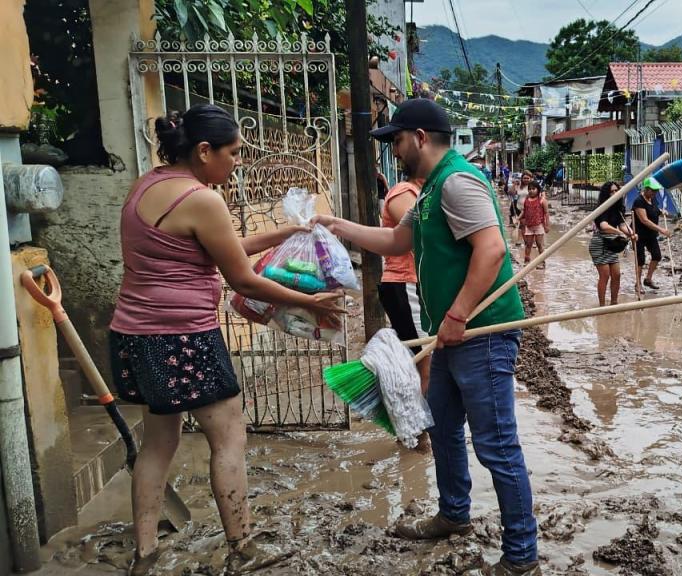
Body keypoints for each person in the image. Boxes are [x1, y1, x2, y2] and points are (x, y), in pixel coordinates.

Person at [110, 104, 343, 575]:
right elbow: (244, 281)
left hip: (134, 334)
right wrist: (314, 305)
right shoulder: (201, 199)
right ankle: (242, 546)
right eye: (233, 153)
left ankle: (146, 553)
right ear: (203, 150)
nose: (237, 162)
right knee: (229, 436)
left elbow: (219, 249)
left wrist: (291, 230)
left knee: (159, 441)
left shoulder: (147, 184)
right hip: (183, 338)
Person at [311, 98, 539, 576]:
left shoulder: (456, 182)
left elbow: (493, 248)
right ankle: (454, 514)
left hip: (482, 334)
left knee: (496, 445)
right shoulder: (431, 188)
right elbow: (397, 241)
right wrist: (338, 227)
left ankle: (522, 556)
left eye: (395, 139)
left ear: (418, 137)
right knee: (443, 428)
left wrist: (456, 315)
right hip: (451, 336)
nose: (393, 150)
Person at [379, 177, 431, 397]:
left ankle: (421, 428)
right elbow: (424, 233)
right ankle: (419, 428)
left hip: (415, 284)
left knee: (423, 362)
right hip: (405, 284)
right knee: (426, 365)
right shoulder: (404, 191)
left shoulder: (423, 192)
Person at [589, 181, 637, 306]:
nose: (615, 193)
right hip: (599, 243)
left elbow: (622, 226)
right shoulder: (601, 209)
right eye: (612, 191)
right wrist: (618, 232)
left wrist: (631, 233)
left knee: (617, 275)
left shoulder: (618, 209)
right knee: (605, 275)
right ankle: (602, 306)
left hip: (612, 244)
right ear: (606, 194)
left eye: (616, 190)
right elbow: (603, 226)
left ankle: (614, 303)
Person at [633, 177, 671, 291]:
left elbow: (654, 209)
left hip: (650, 234)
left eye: (656, 190)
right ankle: (638, 284)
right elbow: (644, 220)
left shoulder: (653, 199)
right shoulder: (639, 201)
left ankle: (648, 279)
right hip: (639, 234)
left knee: (657, 255)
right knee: (640, 259)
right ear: (646, 189)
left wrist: (661, 211)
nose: (655, 193)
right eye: (652, 190)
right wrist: (661, 230)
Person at [520, 180, 549, 268]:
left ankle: (542, 262)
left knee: (539, 244)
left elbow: (546, 213)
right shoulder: (526, 200)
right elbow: (524, 212)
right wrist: (519, 219)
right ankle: (527, 260)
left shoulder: (542, 201)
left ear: (538, 190)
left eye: (533, 189)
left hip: (539, 225)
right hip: (529, 226)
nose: (531, 191)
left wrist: (547, 226)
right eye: (530, 189)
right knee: (528, 244)